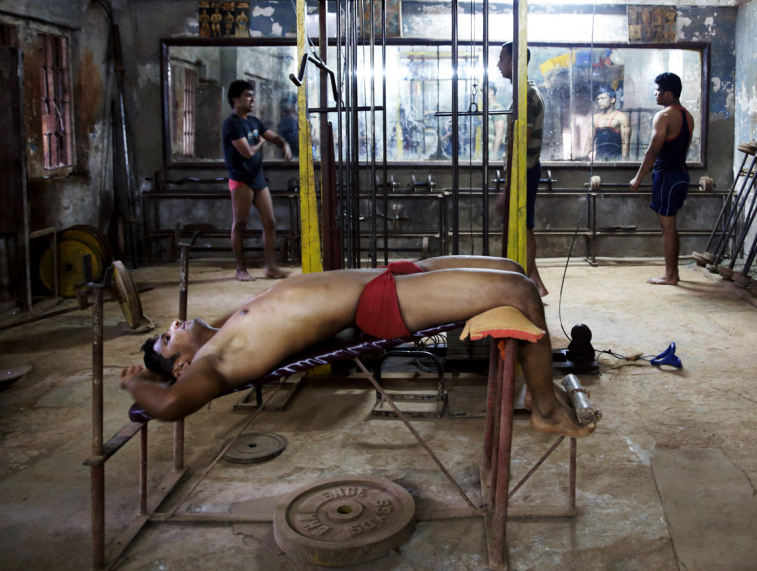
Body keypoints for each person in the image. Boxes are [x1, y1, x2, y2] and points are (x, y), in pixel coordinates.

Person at [118, 256, 594, 438]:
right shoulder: (213, 361)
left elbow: (200, 332)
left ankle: (535, 389)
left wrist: (189, 337)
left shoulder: (222, 332)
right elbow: (170, 405)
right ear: (180, 366)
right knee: (520, 292)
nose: (174, 323)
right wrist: (139, 382)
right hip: (380, 300)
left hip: (389, 275)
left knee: (511, 267)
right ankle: (545, 410)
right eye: (168, 337)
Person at [222, 80, 293, 282]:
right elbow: (247, 152)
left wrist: (284, 144)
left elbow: (275, 137)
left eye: (253, 95)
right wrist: (261, 141)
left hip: (257, 179)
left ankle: (270, 267)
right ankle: (240, 269)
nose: (252, 99)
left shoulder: (253, 122)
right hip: (241, 180)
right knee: (240, 224)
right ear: (235, 99)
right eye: (247, 95)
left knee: (269, 223)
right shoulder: (232, 124)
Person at [629, 73, 693, 285]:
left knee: (667, 229)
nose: (655, 94)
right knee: (671, 228)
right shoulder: (687, 116)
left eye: (657, 90)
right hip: (681, 174)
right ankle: (672, 272)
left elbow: (653, 151)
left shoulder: (664, 116)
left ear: (668, 93)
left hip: (666, 176)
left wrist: (638, 178)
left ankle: (670, 275)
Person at [495, 42, 548, 297]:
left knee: (522, 227)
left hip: (523, 171)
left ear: (515, 61)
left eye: (501, 59)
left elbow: (521, 140)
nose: (498, 65)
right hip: (525, 169)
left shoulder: (525, 94)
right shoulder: (525, 91)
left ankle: (526, 287)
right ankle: (536, 282)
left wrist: (509, 184)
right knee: (521, 225)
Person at [592, 86, 631, 160]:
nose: (599, 101)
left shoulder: (622, 118)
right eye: (598, 99)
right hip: (599, 160)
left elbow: (625, 142)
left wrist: (623, 163)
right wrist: (585, 158)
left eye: (603, 98)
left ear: (612, 100)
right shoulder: (595, 118)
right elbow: (589, 140)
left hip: (615, 160)